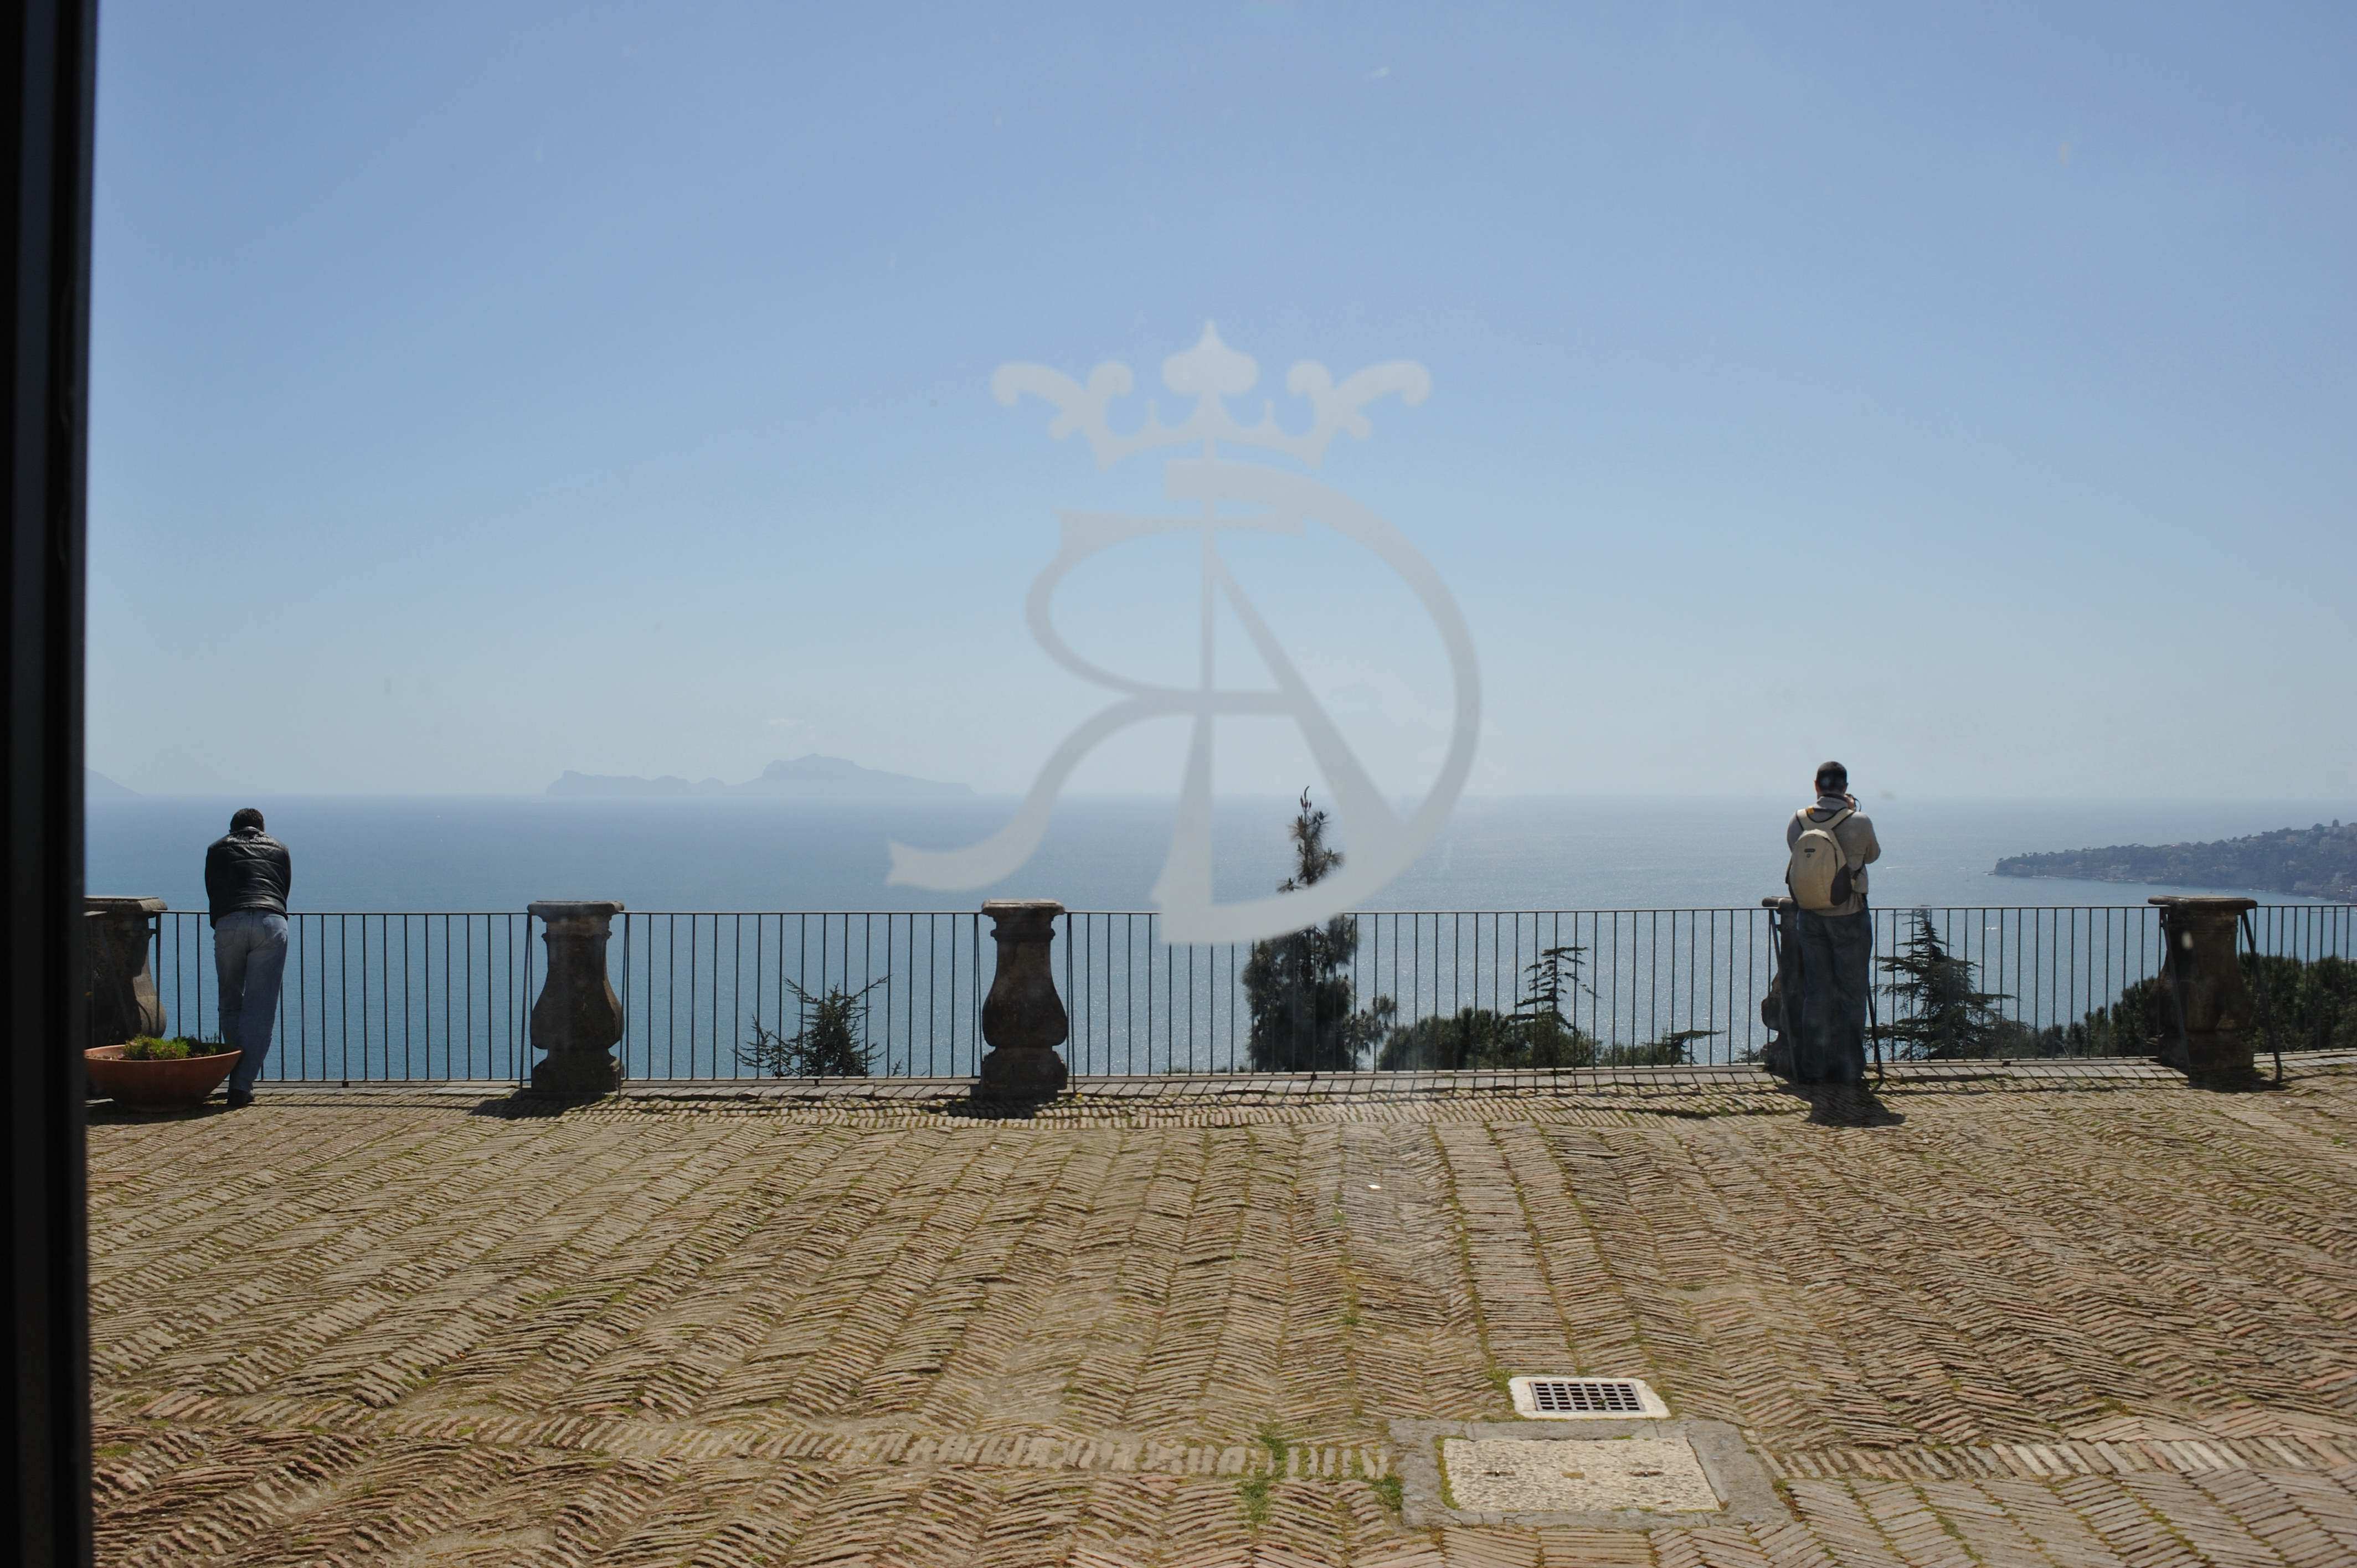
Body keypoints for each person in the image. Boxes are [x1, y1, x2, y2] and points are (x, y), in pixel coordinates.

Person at [1782, 761, 1881, 1084]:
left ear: (1816, 786)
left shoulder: (1798, 821)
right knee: (1852, 993)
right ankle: (1849, 1068)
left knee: (1817, 992)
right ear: (1845, 786)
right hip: (1850, 914)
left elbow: (1799, 856)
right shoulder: (1859, 821)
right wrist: (1851, 811)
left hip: (1810, 916)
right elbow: (1873, 855)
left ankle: (1814, 1066)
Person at [204, 807, 291, 1108]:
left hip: (230, 921)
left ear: (232, 829)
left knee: (230, 1001)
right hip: (271, 922)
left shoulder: (217, 849)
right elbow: (284, 889)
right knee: (261, 1009)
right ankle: (241, 1086)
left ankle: (235, 1072)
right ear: (262, 829)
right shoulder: (280, 849)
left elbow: (213, 889)